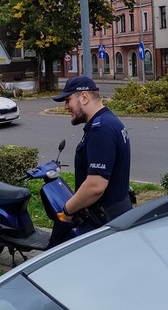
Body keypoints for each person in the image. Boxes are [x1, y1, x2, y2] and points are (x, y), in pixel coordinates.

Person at [52, 76, 132, 237]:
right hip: (115, 217)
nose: (66, 106)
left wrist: (67, 210)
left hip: (102, 226)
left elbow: (95, 186)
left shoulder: (100, 130)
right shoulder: (110, 121)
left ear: (84, 97)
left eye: (68, 100)